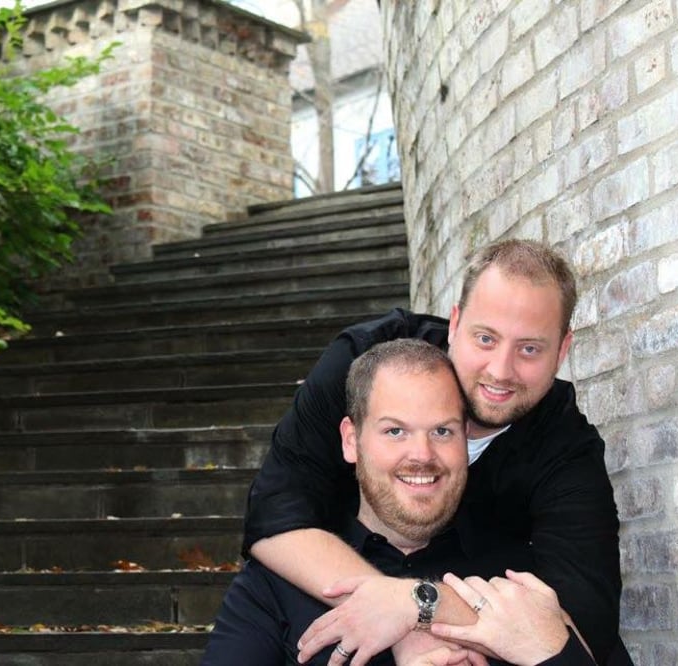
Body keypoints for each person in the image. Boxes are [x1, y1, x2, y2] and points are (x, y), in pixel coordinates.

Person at [243, 240, 624, 665]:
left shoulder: (566, 447)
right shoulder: (369, 362)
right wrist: (395, 620)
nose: (501, 369)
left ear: (563, 350)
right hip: (333, 590)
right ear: (455, 323)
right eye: (485, 338)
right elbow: (274, 513)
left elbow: (582, 628)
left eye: (529, 349)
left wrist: (416, 606)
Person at [201, 339, 594, 665]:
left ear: (466, 442)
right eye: (395, 431)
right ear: (351, 440)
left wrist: (422, 607)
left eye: (442, 430)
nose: (422, 454)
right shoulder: (275, 581)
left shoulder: (519, 577)